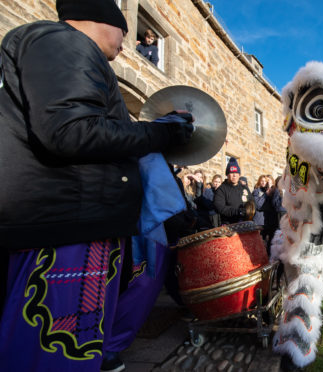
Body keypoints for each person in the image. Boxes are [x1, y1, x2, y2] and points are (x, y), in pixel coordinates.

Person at [0, 1, 193, 370]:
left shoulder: (64, 46)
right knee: (54, 356)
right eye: (125, 30)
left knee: (71, 351)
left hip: (69, 222)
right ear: (104, 20)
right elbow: (70, 132)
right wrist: (160, 132)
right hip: (63, 230)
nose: (127, 41)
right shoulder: (65, 42)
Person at [213, 157, 253, 224]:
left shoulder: (245, 188)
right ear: (227, 175)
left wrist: (250, 210)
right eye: (231, 173)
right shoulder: (221, 189)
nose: (234, 175)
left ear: (239, 175)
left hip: (245, 223)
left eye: (236, 173)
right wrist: (238, 211)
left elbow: (252, 201)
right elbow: (220, 207)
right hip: (228, 225)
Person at [252, 175, 279, 248]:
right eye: (262, 181)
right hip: (259, 222)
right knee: (259, 244)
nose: (264, 183)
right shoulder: (257, 191)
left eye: (266, 181)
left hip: (269, 222)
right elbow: (258, 205)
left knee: (269, 244)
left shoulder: (273, 192)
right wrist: (266, 194)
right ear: (259, 182)